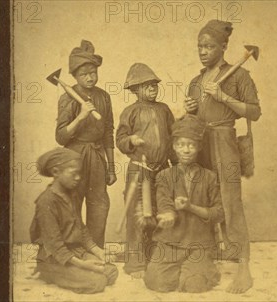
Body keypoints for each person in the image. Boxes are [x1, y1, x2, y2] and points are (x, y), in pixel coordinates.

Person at [184, 19, 261, 293]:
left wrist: (223, 97)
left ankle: (243, 268)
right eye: (199, 46)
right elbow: (192, 119)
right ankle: (207, 259)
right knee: (202, 198)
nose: (203, 51)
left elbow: (254, 112)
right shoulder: (195, 81)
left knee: (230, 202)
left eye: (209, 46)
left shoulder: (239, 76)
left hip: (224, 143)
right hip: (199, 143)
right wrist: (190, 108)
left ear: (224, 46)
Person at [144, 115, 224, 293]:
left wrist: (190, 207)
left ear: (199, 147)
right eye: (180, 145)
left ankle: (197, 269)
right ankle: (184, 269)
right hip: (171, 242)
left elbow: (219, 213)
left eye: (191, 145)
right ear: (174, 147)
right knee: (156, 282)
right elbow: (164, 201)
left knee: (194, 285)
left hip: (199, 243)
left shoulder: (209, 177)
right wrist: (168, 215)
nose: (186, 150)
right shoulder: (164, 176)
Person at [30, 148, 118, 294]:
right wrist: (85, 265)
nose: (78, 178)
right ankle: (49, 272)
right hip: (56, 258)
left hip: (76, 252)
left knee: (112, 271)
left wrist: (98, 252)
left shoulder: (72, 195)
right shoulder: (46, 202)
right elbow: (55, 246)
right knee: (97, 282)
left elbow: (81, 229)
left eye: (80, 173)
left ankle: (73, 273)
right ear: (56, 172)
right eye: (74, 173)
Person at [116, 63, 176, 278]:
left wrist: (176, 166)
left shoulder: (164, 110)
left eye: (154, 85)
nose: (153, 89)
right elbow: (120, 139)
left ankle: (158, 258)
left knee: (162, 214)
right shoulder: (129, 112)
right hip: (139, 170)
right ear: (135, 89)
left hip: (162, 170)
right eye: (147, 86)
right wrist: (130, 139)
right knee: (137, 217)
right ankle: (135, 264)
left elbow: (173, 138)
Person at [55, 40, 116, 248]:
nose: (90, 77)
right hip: (74, 156)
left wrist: (112, 168)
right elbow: (61, 137)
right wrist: (81, 117)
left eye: (93, 72)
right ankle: (73, 252)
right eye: (84, 74)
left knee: (99, 205)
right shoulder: (68, 99)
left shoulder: (104, 97)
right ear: (74, 76)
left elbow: (108, 133)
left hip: (97, 156)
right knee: (72, 204)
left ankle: (95, 251)